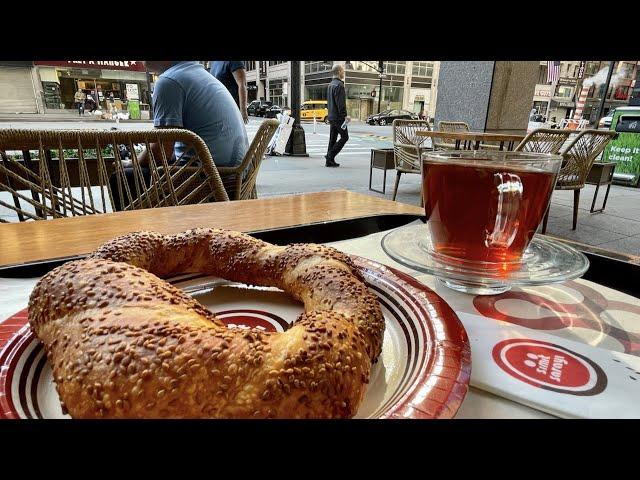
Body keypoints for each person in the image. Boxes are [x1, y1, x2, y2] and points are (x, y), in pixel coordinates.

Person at [109, 61, 249, 210]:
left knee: (121, 178)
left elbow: (160, 153)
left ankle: (139, 232)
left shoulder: (170, 81)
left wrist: (131, 162)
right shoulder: (198, 74)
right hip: (236, 179)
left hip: (212, 183)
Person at [325, 64, 350, 168]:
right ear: (339, 71)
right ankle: (330, 156)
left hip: (331, 116)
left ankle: (329, 161)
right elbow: (340, 103)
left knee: (333, 139)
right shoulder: (339, 85)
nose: (343, 73)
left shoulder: (330, 85)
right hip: (338, 117)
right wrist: (345, 116)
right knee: (345, 137)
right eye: (343, 71)